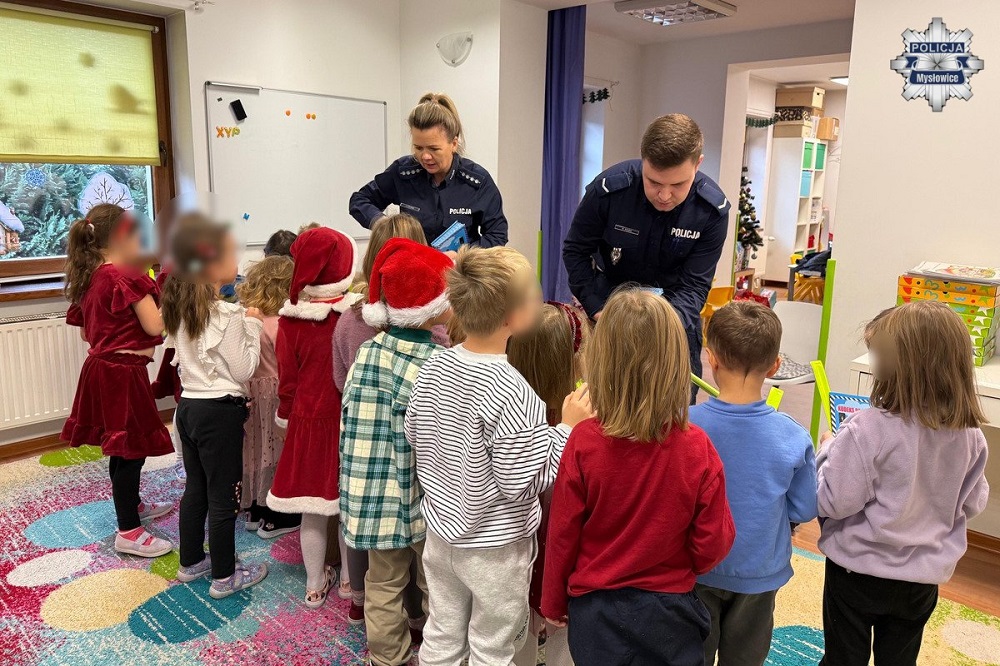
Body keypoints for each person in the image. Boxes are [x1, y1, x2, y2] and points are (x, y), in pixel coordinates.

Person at [405, 246, 593, 665]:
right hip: (496, 549)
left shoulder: (433, 366)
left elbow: (415, 433)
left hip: (439, 536)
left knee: (442, 635)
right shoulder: (513, 389)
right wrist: (565, 430)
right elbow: (519, 481)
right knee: (492, 647)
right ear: (514, 316)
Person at [541, 288, 736, 666]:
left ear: (600, 360)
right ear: (678, 362)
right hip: (672, 612)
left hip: (595, 612)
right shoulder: (698, 447)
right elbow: (711, 546)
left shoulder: (582, 441)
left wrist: (552, 600)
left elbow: (562, 532)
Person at [817, 302, 990, 666]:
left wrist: (828, 451)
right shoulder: (971, 436)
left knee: (843, 658)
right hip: (921, 579)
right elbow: (974, 501)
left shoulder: (868, 428)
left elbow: (834, 500)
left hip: (857, 573)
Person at [562, 114, 731, 402]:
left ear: (698, 163)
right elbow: (575, 252)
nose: (664, 195)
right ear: (643, 160)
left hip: (673, 321)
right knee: (605, 406)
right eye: (654, 182)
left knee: (674, 413)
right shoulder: (609, 191)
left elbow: (694, 287)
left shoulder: (711, 211)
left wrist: (659, 326)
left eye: (678, 184)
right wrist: (598, 308)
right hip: (608, 311)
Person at [341, 238, 453, 666]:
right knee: (434, 582)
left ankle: (387, 657)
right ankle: (438, 647)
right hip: (423, 500)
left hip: (371, 497)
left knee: (382, 583)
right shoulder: (437, 364)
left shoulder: (368, 352)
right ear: (434, 308)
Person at [689, 301, 818, 666]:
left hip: (696, 565)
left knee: (692, 652)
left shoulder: (686, 426)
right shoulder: (793, 435)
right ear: (776, 366)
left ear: (710, 359)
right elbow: (806, 507)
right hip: (761, 570)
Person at [163, 217, 269, 598]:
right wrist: (254, 325)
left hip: (188, 409)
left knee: (197, 488)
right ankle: (225, 577)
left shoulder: (181, 308)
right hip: (219, 413)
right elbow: (244, 369)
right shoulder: (228, 316)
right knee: (224, 497)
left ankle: (191, 562)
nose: (237, 262)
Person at [62, 204, 174, 557]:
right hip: (122, 374)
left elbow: (86, 336)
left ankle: (132, 506)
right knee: (130, 451)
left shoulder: (92, 276)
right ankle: (128, 530)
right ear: (123, 236)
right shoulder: (127, 276)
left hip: (101, 369)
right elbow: (156, 326)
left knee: (121, 446)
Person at [267, 226, 361, 608]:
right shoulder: (355, 316)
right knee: (346, 510)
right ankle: (351, 585)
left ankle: (313, 583)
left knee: (313, 509)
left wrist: (285, 415)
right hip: (347, 421)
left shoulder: (290, 321)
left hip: (307, 421)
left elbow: (286, 380)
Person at [508, 302, 591, 666]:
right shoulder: (586, 424)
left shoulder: (507, 410)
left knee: (520, 628)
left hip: (516, 553)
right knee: (561, 634)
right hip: (559, 553)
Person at [349, 93, 508, 248]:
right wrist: (383, 224)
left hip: (457, 272)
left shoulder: (477, 182)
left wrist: (462, 256)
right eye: (418, 148)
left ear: (453, 144)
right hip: (412, 269)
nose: (425, 156)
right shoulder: (402, 173)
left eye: (434, 149)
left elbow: (497, 235)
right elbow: (359, 200)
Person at [235, 255, 298, 537]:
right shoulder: (282, 323)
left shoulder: (246, 318)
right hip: (274, 395)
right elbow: (287, 368)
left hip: (250, 393)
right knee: (278, 452)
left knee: (254, 451)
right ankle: (276, 516)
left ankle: (253, 509)